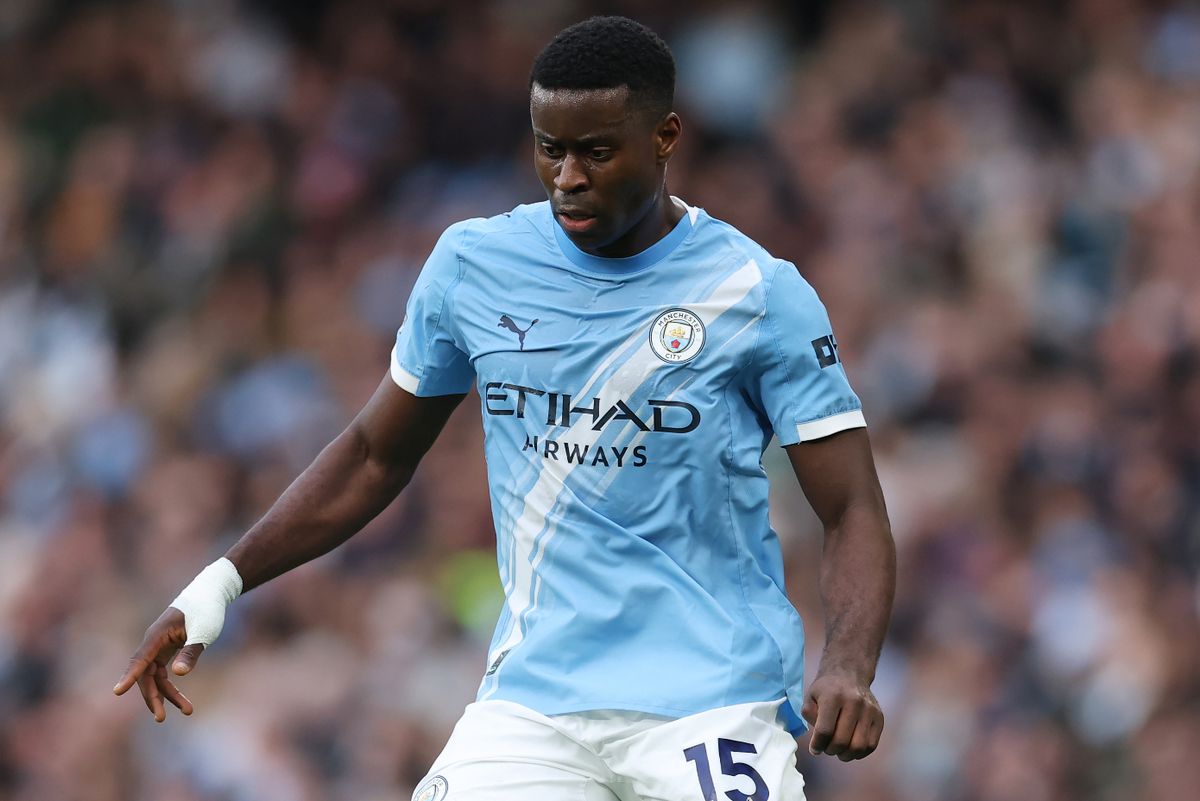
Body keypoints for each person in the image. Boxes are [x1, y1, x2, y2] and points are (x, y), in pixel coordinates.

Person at [115, 16, 895, 801]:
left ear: (664, 136)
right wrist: (220, 581)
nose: (567, 176)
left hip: (713, 700)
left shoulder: (757, 294)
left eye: (596, 150)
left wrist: (849, 665)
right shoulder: (474, 265)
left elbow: (852, 505)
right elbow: (374, 454)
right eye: (549, 147)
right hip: (536, 703)